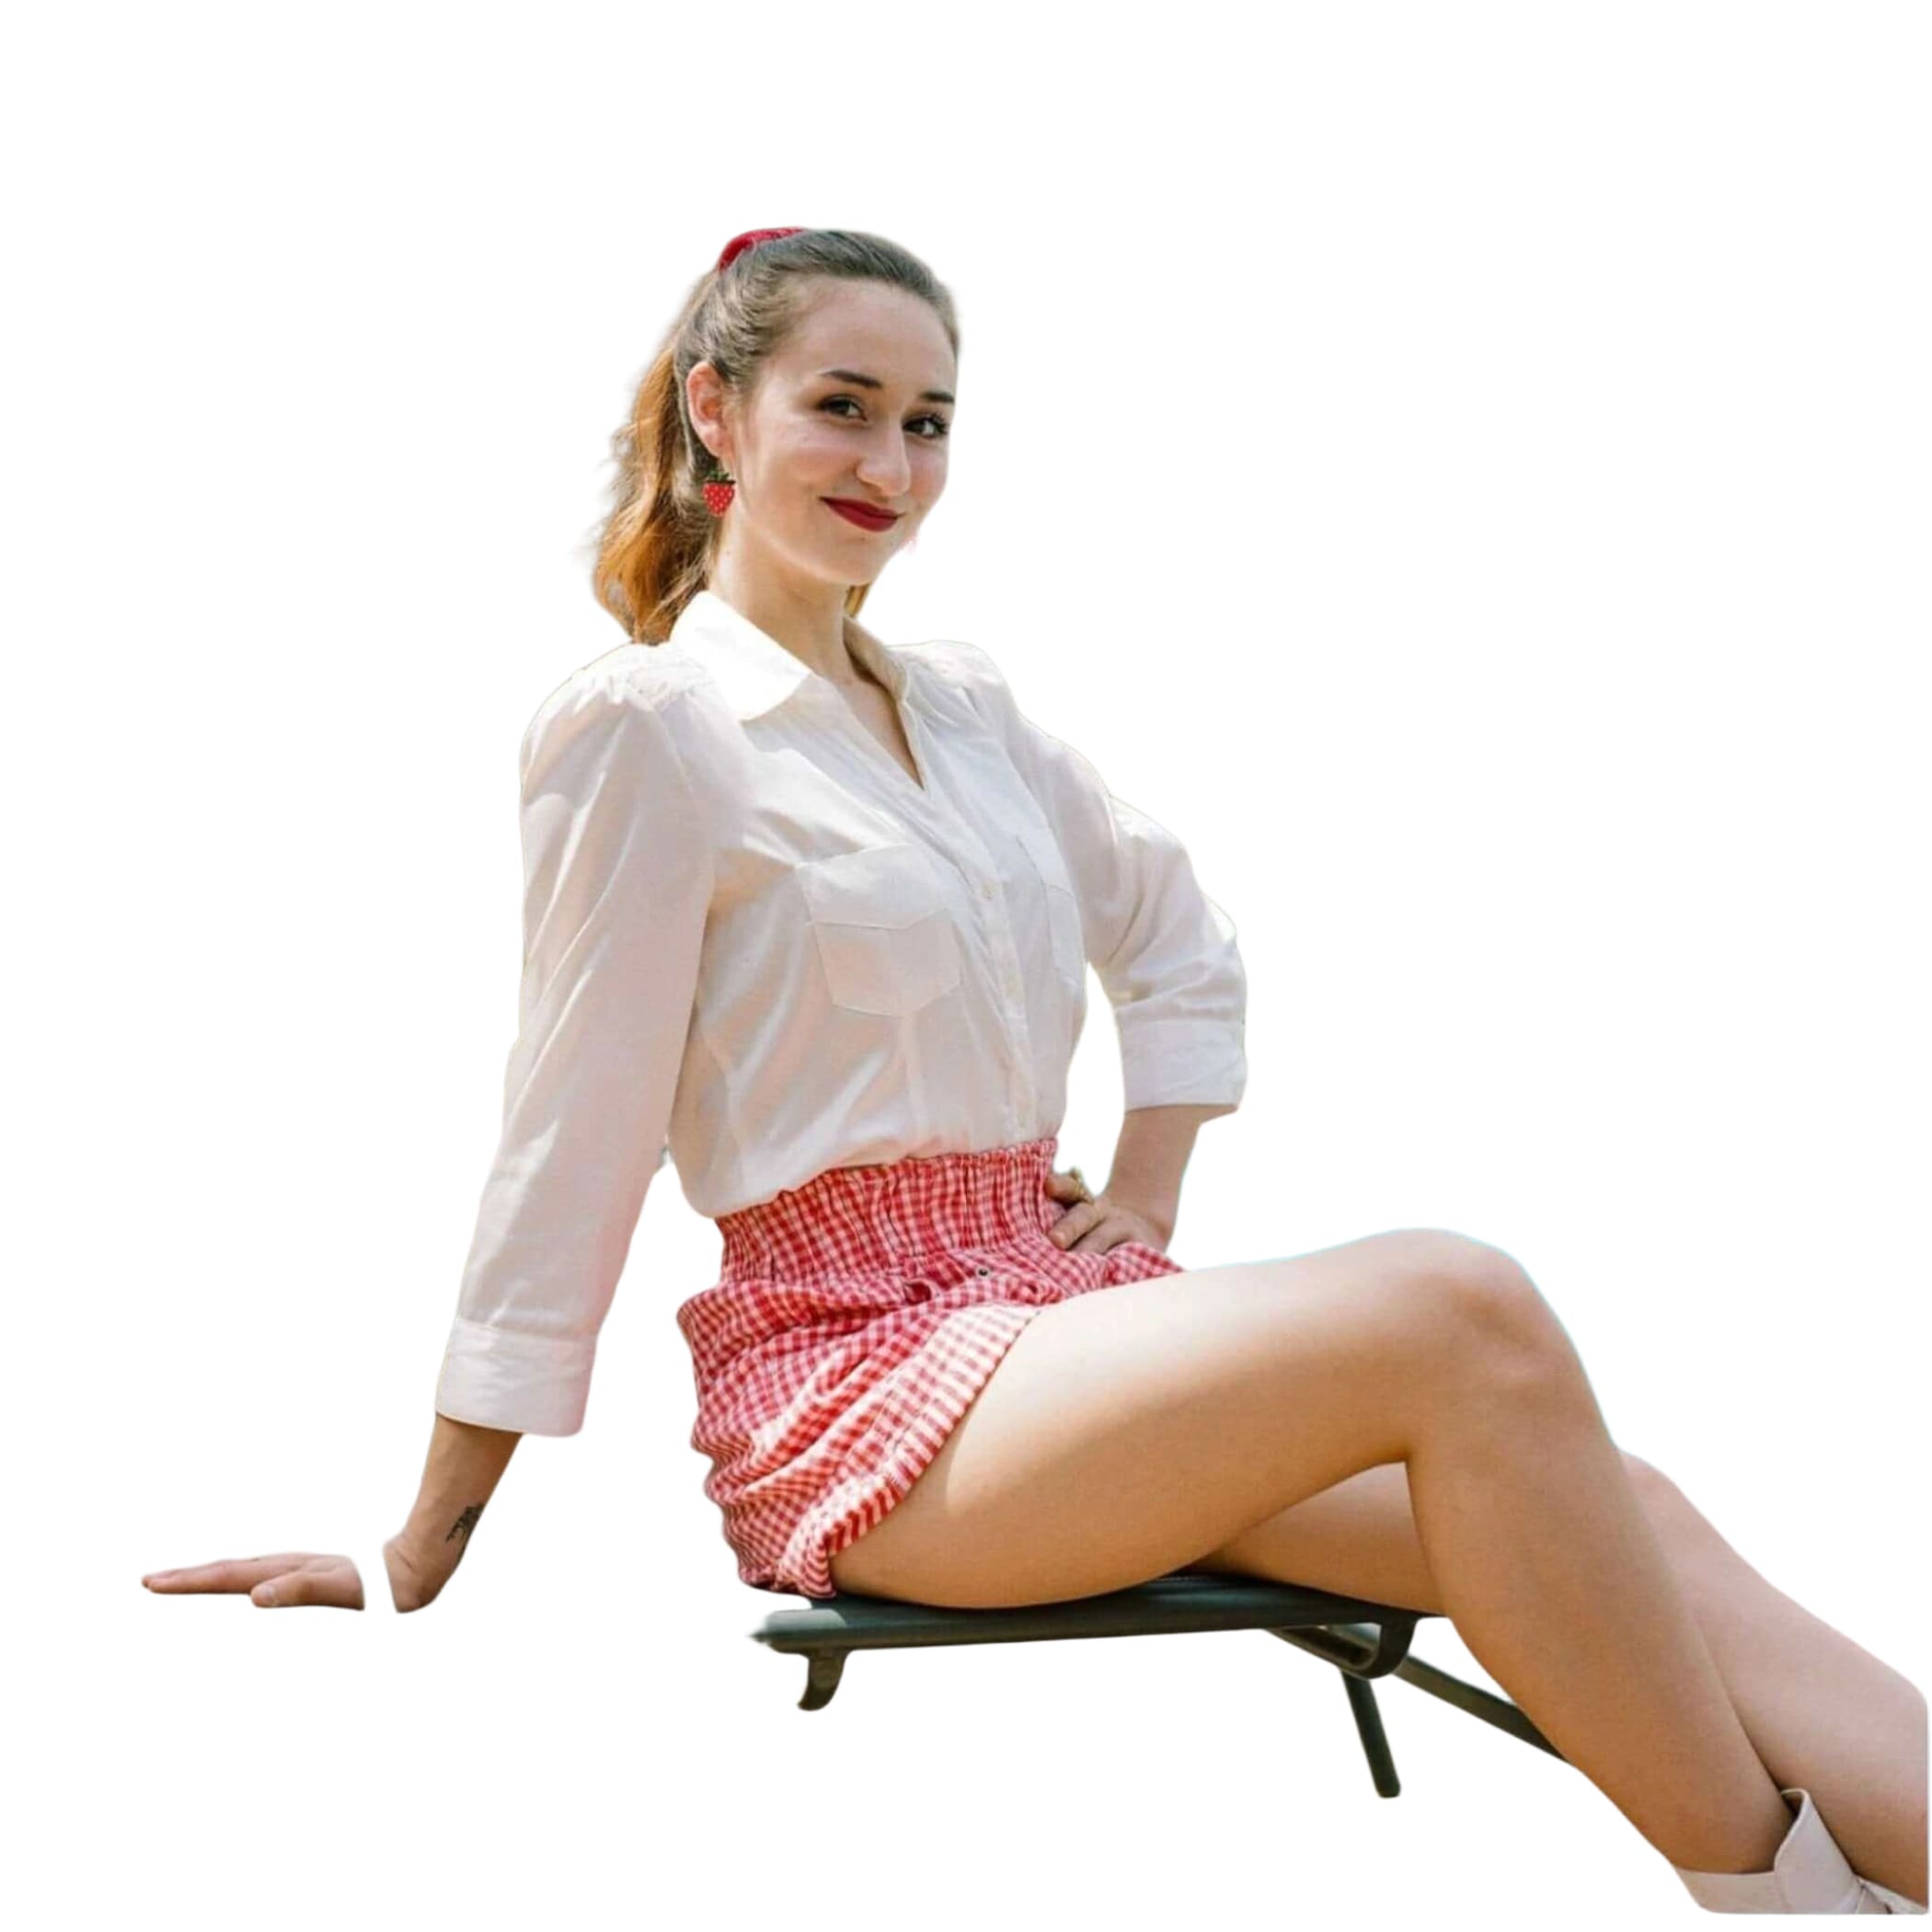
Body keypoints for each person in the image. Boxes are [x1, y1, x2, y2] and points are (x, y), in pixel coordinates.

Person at [139, 227, 1925, 1916]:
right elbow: (567, 1136)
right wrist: (421, 1546)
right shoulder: (651, 729)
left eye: (928, 424)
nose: (890, 465)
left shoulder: (965, 710)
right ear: (717, 413)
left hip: (1058, 1330)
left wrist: (1145, 1187)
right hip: (858, 1394)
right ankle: (1793, 1914)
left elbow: (1178, 937)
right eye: (843, 407)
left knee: (1632, 1506)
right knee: (1457, 1306)